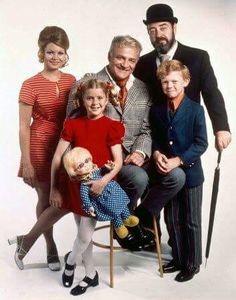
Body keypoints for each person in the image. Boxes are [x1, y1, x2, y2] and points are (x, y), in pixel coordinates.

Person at [67, 35, 184, 249]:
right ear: (109, 56)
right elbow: (71, 129)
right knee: (139, 178)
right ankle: (121, 226)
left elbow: (146, 129)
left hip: (132, 156)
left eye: (131, 60)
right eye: (120, 58)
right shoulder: (87, 84)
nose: (125, 64)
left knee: (176, 176)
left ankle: (139, 217)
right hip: (101, 162)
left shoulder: (143, 88)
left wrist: (140, 152)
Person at [49, 79, 128, 295]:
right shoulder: (73, 124)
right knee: (84, 236)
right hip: (77, 187)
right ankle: (91, 275)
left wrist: (103, 181)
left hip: (100, 189)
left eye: (100, 98)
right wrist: (54, 188)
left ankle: (71, 261)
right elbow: (57, 156)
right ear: (82, 100)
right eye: (90, 98)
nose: (95, 102)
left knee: (83, 237)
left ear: (106, 99)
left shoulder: (112, 126)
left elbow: (118, 162)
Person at [8, 26, 76, 271]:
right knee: (46, 197)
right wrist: (26, 162)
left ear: (66, 54)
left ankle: (27, 239)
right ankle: (50, 246)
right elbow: (23, 127)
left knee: (66, 198)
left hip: (66, 145)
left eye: (60, 52)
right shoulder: (30, 84)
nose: (55, 57)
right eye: (50, 52)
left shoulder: (72, 81)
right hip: (39, 144)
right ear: (41, 53)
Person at [136, 60, 208, 282]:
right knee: (172, 219)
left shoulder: (196, 110)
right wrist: (156, 154)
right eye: (165, 82)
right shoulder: (158, 110)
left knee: (191, 220)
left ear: (185, 81)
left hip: (191, 174)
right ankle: (177, 258)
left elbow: (201, 143)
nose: (170, 86)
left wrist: (179, 160)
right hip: (166, 173)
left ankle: (192, 263)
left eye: (175, 81)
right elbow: (156, 139)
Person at [134, 3, 231, 152]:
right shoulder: (141, 63)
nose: (158, 34)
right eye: (152, 30)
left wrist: (221, 128)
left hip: (187, 142)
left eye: (163, 27)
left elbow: (211, 93)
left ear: (174, 27)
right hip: (153, 144)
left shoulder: (198, 58)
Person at [63, 146, 140, 239]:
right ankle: (119, 226)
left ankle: (127, 217)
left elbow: (103, 170)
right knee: (113, 212)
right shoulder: (84, 183)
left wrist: (108, 167)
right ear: (74, 171)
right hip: (104, 201)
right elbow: (84, 197)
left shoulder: (96, 171)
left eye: (87, 161)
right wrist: (89, 207)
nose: (86, 165)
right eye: (80, 165)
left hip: (115, 193)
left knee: (122, 204)